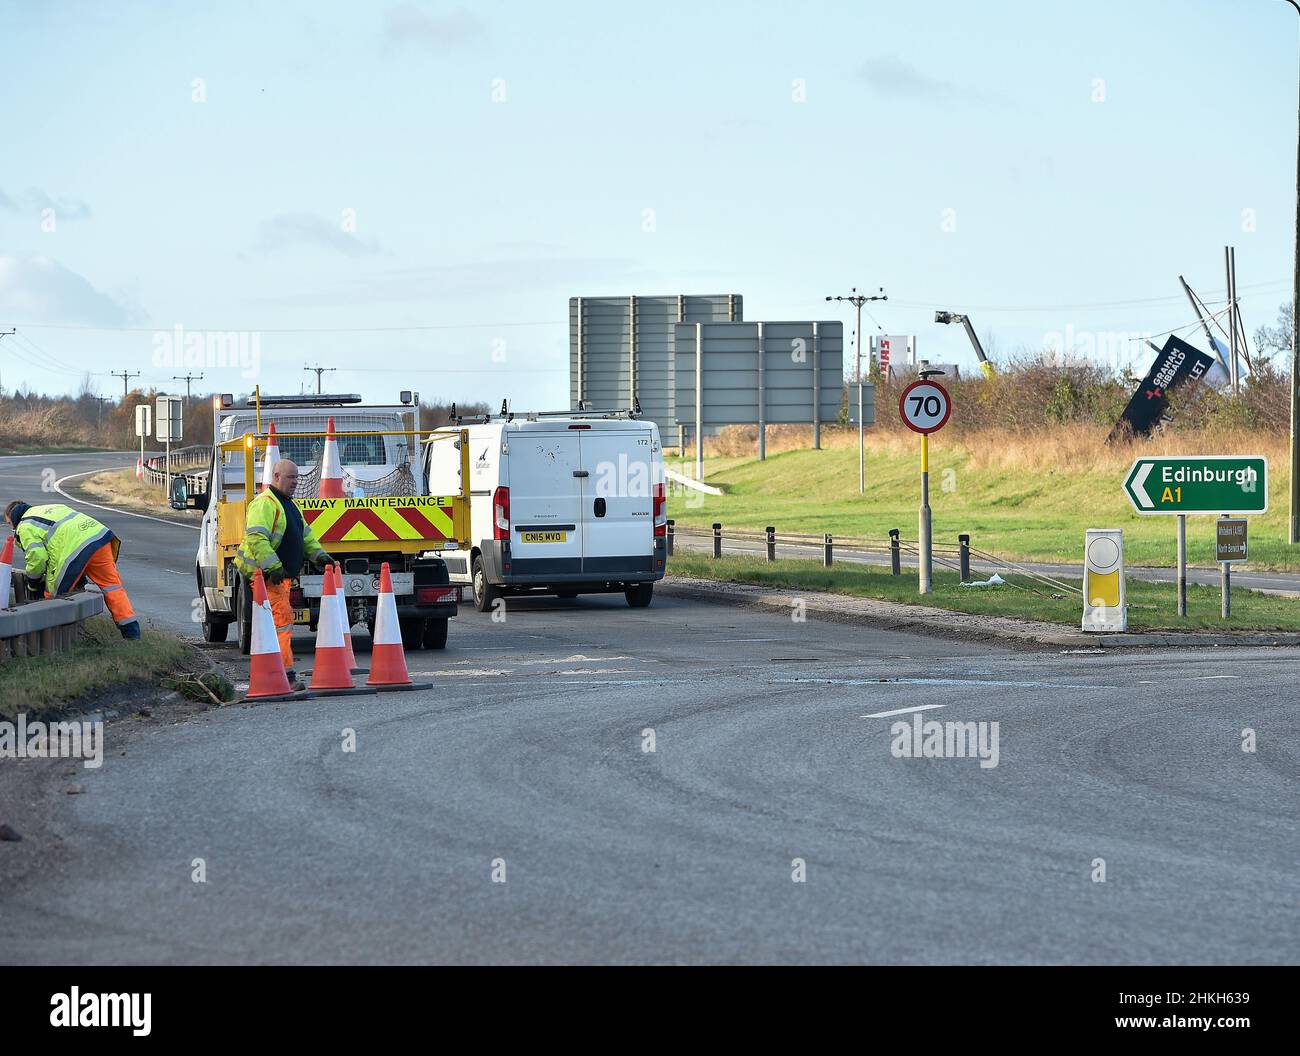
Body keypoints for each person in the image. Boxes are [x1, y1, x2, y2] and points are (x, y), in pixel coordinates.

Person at [235, 458, 331, 682]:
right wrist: (273, 566)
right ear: (276, 477)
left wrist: (320, 556)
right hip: (266, 576)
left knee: (280, 623)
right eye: (291, 477)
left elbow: (305, 537)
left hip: (280, 577)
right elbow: (256, 537)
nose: (296, 481)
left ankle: (276, 672)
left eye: (297, 477)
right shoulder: (265, 503)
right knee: (282, 622)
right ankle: (283, 675)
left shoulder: (290, 505)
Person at [3, 501, 141, 639]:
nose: (11, 528)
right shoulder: (49, 507)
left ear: (14, 518)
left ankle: (51, 638)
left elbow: (37, 559)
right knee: (112, 588)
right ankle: (132, 633)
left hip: (75, 550)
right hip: (99, 539)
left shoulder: (25, 526)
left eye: (9, 523)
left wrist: (33, 584)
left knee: (52, 596)